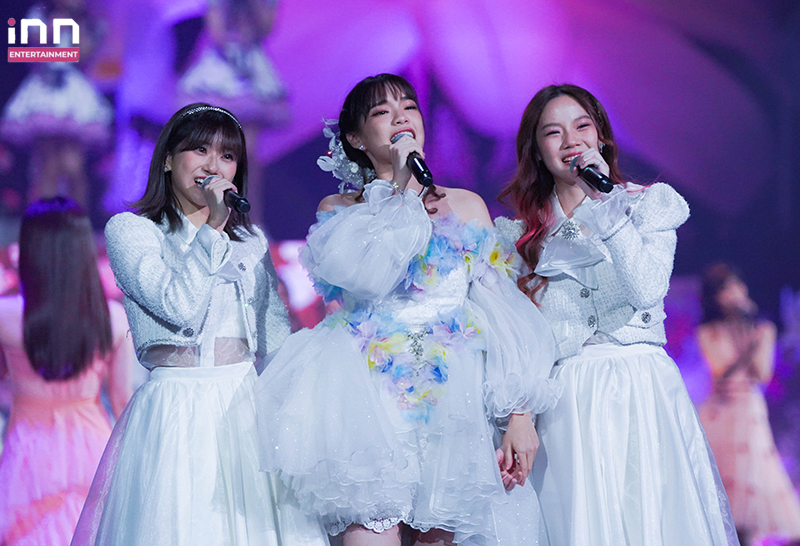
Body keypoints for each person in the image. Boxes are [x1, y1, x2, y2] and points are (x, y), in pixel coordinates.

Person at [254, 73, 561, 546]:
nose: (400, 117)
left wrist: (519, 412)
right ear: (355, 138)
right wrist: (399, 187)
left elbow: (501, 309)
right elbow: (369, 275)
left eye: (409, 107)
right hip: (369, 400)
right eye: (382, 111)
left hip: (454, 398)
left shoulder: (466, 205)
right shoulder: (340, 210)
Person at [70, 103, 328, 546]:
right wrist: (212, 230)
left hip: (245, 409)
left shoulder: (250, 240)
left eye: (227, 156)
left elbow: (274, 339)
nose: (213, 166)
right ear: (169, 159)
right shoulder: (133, 231)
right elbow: (179, 306)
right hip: (175, 408)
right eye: (200, 150)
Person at [498, 84, 738, 545]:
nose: (571, 140)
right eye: (553, 132)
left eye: (582, 126)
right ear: (537, 150)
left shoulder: (648, 205)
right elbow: (519, 338)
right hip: (568, 400)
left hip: (641, 386)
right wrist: (519, 411)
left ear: (602, 137)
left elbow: (646, 288)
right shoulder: (520, 237)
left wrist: (607, 205)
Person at [0, 197, 133, 546]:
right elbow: (123, 402)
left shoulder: (6, 316)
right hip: (93, 450)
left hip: (28, 454)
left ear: (30, 250)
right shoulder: (113, 318)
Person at [697, 263, 800, 543]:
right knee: (721, 490)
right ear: (715, 297)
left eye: (736, 285)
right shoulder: (709, 330)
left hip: (750, 410)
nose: (733, 293)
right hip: (721, 412)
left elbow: (762, 373)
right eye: (725, 289)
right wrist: (743, 336)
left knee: (753, 484)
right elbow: (722, 370)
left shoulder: (762, 328)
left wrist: (753, 332)